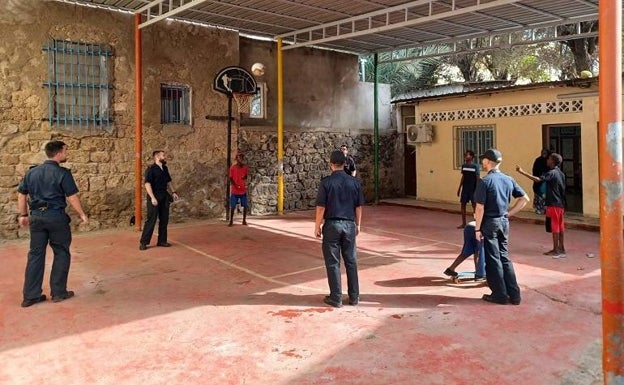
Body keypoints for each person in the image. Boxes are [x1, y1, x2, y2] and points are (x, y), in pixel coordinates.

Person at [17, 140, 88, 307]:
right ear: (59, 153)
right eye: (65, 151)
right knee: (61, 252)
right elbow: (71, 197)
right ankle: (58, 292)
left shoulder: (32, 173)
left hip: (36, 218)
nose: (66, 154)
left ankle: (31, 296)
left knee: (35, 255)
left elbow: (21, 195)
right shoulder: (63, 173)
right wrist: (82, 214)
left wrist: (23, 215)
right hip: (56, 217)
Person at [474, 148, 529, 305]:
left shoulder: (485, 181)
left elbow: (480, 208)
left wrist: (477, 229)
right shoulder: (508, 179)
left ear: (488, 161)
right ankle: (514, 294)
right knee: (504, 257)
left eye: (484, 159)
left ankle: (499, 294)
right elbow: (525, 199)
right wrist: (509, 214)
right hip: (503, 222)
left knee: (493, 259)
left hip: (490, 223)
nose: (482, 161)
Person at [315, 150, 365, 308]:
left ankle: (336, 297)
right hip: (349, 224)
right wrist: (358, 224)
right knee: (351, 261)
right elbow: (358, 207)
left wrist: (317, 226)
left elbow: (321, 207)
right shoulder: (354, 182)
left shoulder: (326, 182)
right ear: (345, 164)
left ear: (330, 164)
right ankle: (354, 296)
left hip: (332, 225)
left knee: (333, 262)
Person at [516, 153, 567, 257]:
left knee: (555, 227)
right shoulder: (560, 173)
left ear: (552, 161)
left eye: (549, 159)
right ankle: (561, 248)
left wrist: (522, 172)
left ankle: (556, 250)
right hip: (560, 204)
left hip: (554, 203)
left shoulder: (551, 173)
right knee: (560, 227)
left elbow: (538, 180)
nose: (547, 160)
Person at [139, 150, 179, 250]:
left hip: (164, 196)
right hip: (154, 196)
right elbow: (147, 184)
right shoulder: (151, 169)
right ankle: (143, 242)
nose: (165, 157)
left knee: (164, 219)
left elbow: (169, 182)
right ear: (157, 156)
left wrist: (173, 192)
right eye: (163, 155)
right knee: (151, 220)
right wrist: (152, 198)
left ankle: (162, 241)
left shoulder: (165, 168)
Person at [456, 150, 480, 228]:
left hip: (473, 189)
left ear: (472, 157)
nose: (465, 156)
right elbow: (463, 177)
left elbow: (478, 178)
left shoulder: (475, 166)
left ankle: (476, 222)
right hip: (465, 188)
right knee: (463, 205)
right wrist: (459, 188)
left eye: (467, 155)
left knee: (474, 206)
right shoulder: (464, 166)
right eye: (465, 155)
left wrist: (478, 189)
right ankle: (463, 223)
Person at [229, 151, 249, 226]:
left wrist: (244, 178)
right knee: (233, 206)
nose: (241, 159)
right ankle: (231, 221)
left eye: (242, 157)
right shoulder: (232, 168)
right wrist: (235, 185)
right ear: (236, 159)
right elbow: (230, 178)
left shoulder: (245, 168)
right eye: (239, 157)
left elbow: (246, 176)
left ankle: (244, 220)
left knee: (245, 205)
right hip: (235, 190)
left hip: (242, 190)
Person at [531, 149, 551, 214]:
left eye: (545, 153)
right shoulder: (538, 160)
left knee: (546, 195)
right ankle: (539, 209)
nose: (544, 154)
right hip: (538, 181)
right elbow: (535, 170)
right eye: (543, 153)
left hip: (546, 181)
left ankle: (546, 209)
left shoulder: (549, 161)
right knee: (539, 194)